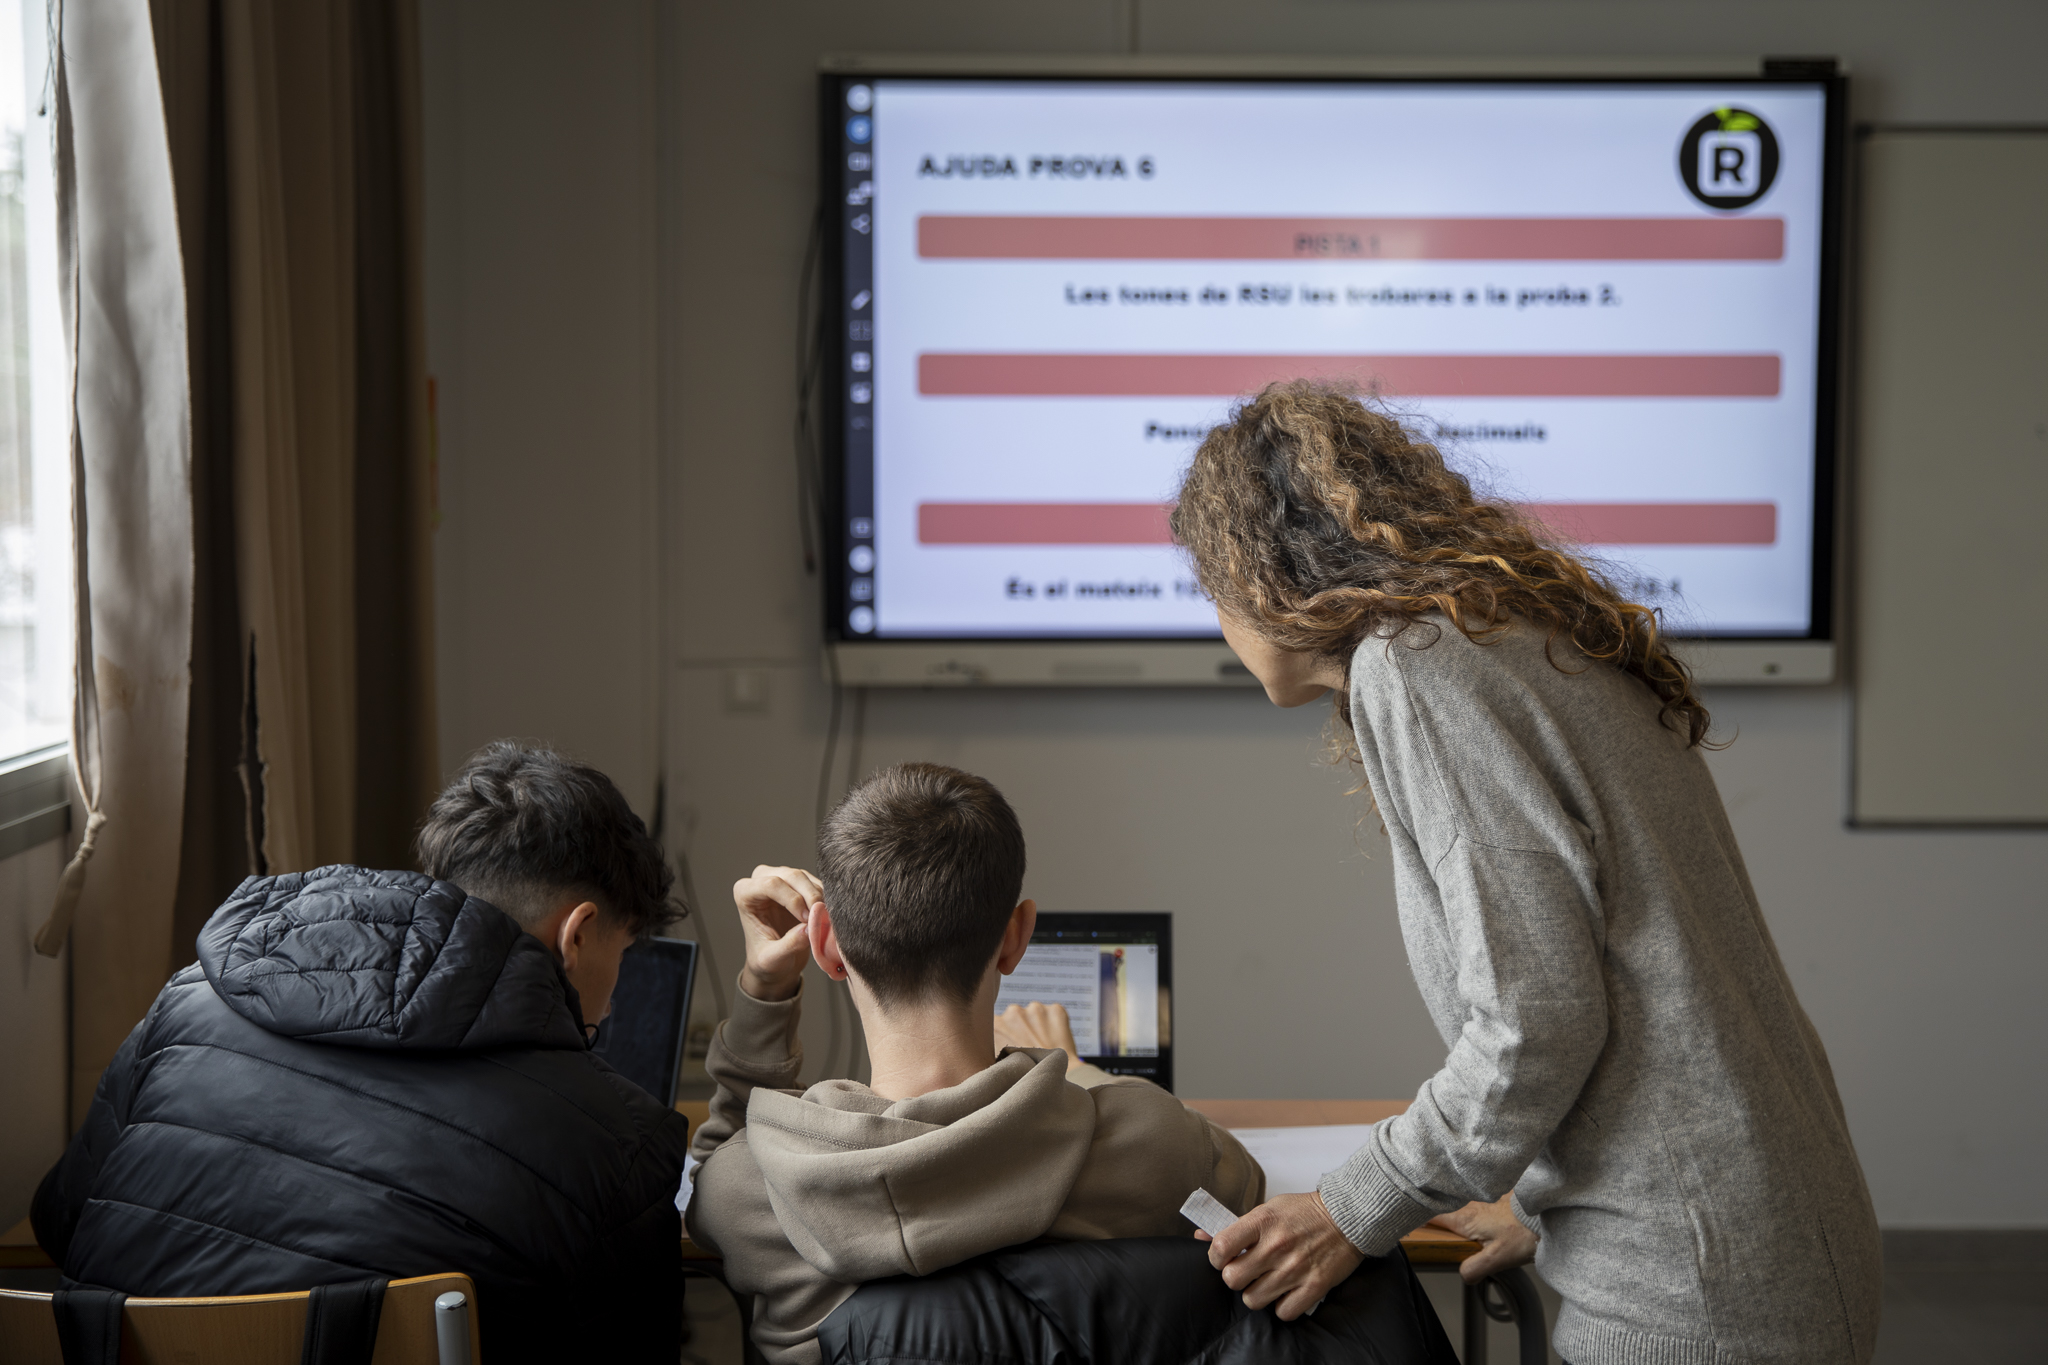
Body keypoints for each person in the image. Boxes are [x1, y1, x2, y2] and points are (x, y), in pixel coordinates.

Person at [1169, 381, 1883, 1365]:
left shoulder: (1415, 669)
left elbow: (1534, 1023)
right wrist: (1556, 1203)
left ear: (1259, 574)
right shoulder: (1497, 634)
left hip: (1693, 1283)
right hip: (1744, 1229)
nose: (1214, 621)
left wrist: (1348, 1209)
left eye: (1207, 589)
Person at [32, 741, 693, 1365]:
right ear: (577, 934)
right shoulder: (614, 1140)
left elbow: (60, 1222)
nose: (610, 1004)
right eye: (624, 953)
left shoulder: (187, 1002)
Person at [685, 762, 1267, 1365]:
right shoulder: (1154, 1146)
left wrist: (765, 987)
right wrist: (1078, 1069)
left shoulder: (752, 1188)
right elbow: (1245, 1185)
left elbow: (709, 1174)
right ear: (1016, 938)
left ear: (827, 945)